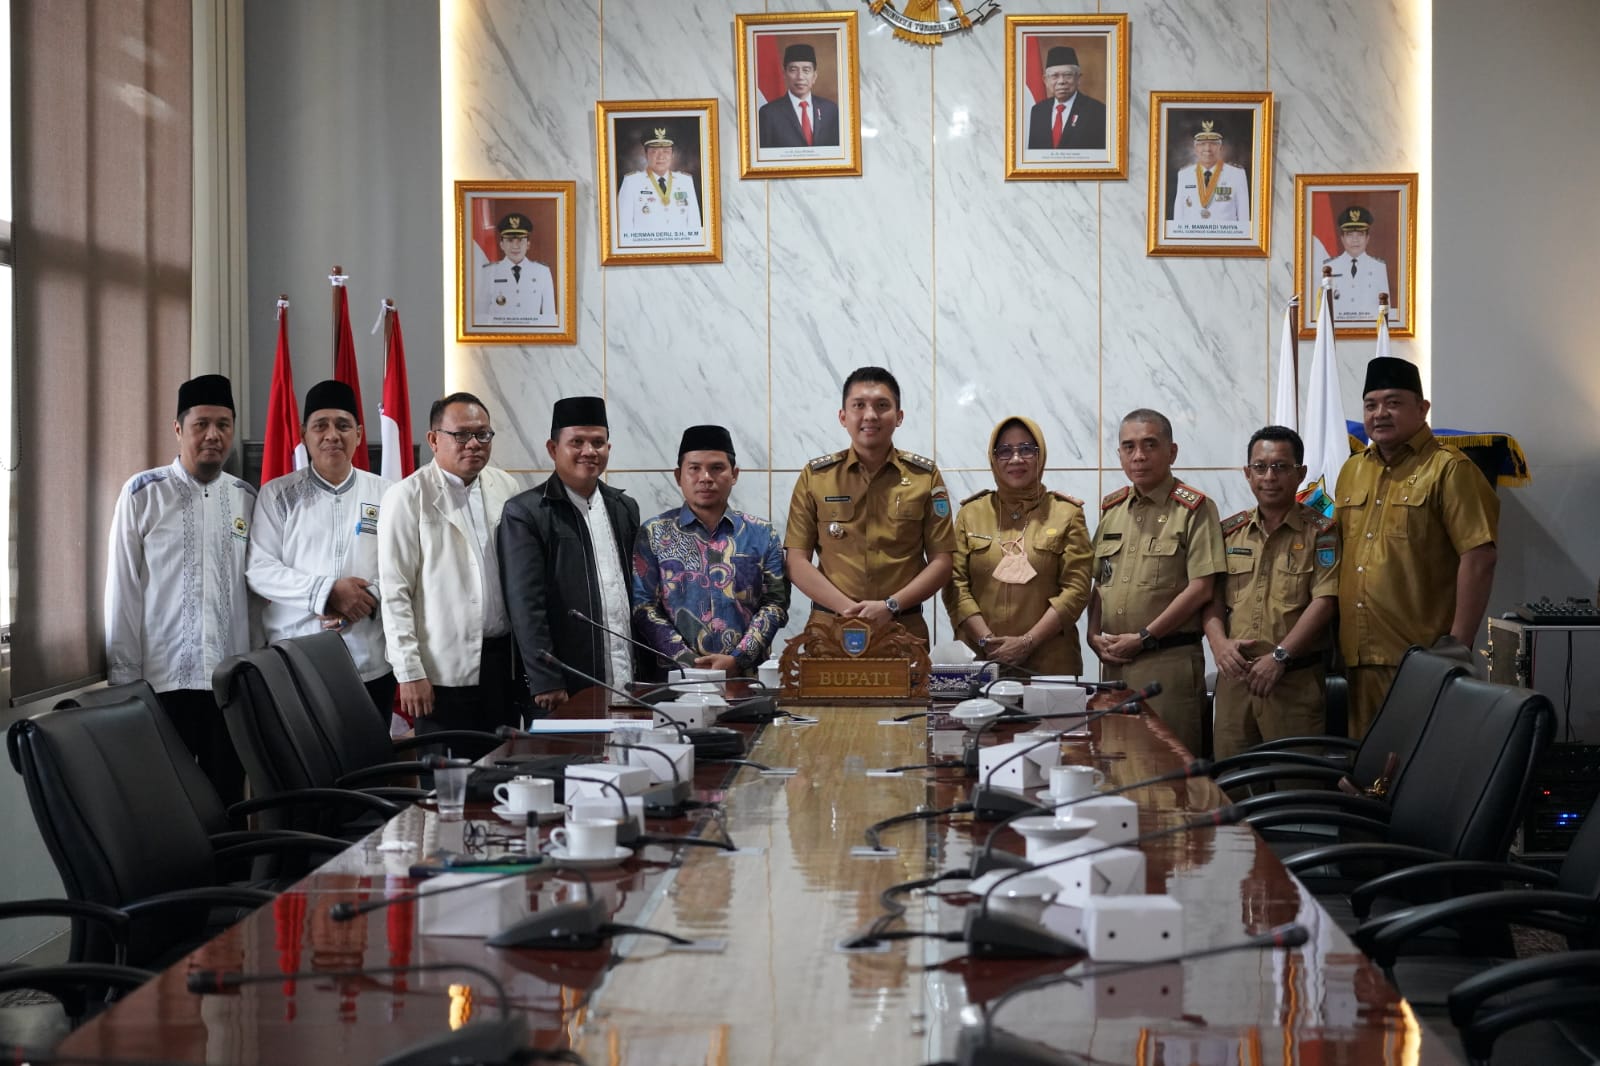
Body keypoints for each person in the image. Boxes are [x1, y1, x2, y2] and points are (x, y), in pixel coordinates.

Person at [104, 374, 253, 804]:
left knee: (229, 803)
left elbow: (257, 598)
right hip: (161, 686)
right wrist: (127, 684)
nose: (213, 435)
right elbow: (122, 594)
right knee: (165, 806)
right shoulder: (142, 495)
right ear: (178, 429)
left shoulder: (246, 498)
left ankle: (234, 876)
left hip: (229, 687)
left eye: (223, 424)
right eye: (201, 424)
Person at [1335, 356, 1499, 737]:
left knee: (1413, 775)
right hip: (1357, 656)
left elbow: (1480, 556)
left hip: (1422, 659)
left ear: (1422, 408)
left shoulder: (1449, 469)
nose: (1380, 414)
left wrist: (1457, 646)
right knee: (1366, 772)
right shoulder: (1352, 470)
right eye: (1371, 404)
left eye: (1393, 402)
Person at [248, 380, 396, 727]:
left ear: (359, 434)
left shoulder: (389, 494)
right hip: (295, 661)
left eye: (343, 425)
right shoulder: (278, 495)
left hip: (369, 662)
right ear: (303, 434)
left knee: (367, 772)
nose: (332, 435)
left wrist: (365, 598)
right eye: (321, 425)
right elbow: (260, 569)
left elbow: (404, 568)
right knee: (304, 775)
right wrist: (327, 592)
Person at [378, 392, 522, 734]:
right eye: (461, 435)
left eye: (482, 434)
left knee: (502, 769)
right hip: (441, 669)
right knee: (449, 780)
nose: (473, 443)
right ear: (433, 439)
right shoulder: (407, 496)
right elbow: (394, 591)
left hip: (501, 661)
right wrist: (410, 671)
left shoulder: (506, 486)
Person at [784, 366, 955, 649]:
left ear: (899, 417)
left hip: (902, 631)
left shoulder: (925, 477)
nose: (870, 415)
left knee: (906, 695)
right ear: (843, 416)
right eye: (859, 405)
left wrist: (890, 606)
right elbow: (796, 561)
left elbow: (942, 562)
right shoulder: (816, 477)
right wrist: (850, 610)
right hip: (830, 632)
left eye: (882, 406)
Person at [1087, 409, 1225, 755]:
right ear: (1119, 454)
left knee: (1168, 772)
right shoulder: (1112, 509)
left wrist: (1144, 638)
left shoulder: (1194, 509)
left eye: (1150, 445)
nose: (1139, 456)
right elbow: (1099, 582)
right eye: (1129, 447)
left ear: (1172, 452)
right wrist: (1092, 634)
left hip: (1168, 664)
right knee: (1119, 764)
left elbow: (1202, 588)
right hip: (1115, 664)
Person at [1203, 426, 1340, 759]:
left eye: (1281, 467)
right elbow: (1211, 599)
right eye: (1260, 467)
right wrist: (1219, 645)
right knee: (1233, 787)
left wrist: (1280, 656)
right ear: (1247, 473)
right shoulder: (1229, 532)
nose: (1269, 476)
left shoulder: (1321, 530)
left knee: (1296, 787)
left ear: (1300, 473)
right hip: (1235, 683)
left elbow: (1325, 601)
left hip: (1292, 682)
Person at [500, 396, 641, 713]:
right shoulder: (526, 513)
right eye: (577, 442)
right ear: (553, 449)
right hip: (565, 681)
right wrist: (546, 679)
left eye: (598, 442)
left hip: (625, 673)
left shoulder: (624, 508)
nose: (589, 452)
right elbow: (525, 605)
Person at [632, 425, 790, 675]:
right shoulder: (653, 533)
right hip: (676, 679)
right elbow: (644, 607)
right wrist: (686, 660)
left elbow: (776, 604)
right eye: (694, 468)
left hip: (747, 678)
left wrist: (739, 658)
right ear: (678, 476)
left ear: (734, 474)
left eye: (717, 468)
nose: (705, 477)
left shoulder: (762, 534)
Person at [944, 416, 1092, 675]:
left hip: (1050, 664)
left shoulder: (1066, 513)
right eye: (1005, 451)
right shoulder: (971, 513)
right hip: (980, 661)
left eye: (1026, 449)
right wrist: (987, 641)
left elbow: (1076, 590)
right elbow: (955, 585)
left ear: (1040, 456)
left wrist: (1027, 642)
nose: (1015, 459)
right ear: (993, 457)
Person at [616, 128, 702, 244]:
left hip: (680, 251)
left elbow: (694, 227)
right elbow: (624, 230)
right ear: (646, 154)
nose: (661, 157)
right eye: (654, 152)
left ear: (672, 155)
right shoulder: (631, 183)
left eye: (666, 151)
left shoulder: (685, 182)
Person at [474, 212, 555, 326]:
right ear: (501, 244)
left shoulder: (542, 272)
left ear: (528, 244)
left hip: (533, 337)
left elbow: (549, 317)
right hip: (498, 337)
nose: (515, 246)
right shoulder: (488, 272)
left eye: (520, 240)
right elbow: (480, 316)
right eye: (510, 240)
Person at [758, 43, 841, 148]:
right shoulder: (768, 113)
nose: (800, 77)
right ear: (784, 74)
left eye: (806, 70)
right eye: (793, 70)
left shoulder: (830, 110)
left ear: (814, 76)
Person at [1025, 46, 1107, 151]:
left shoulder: (1098, 111)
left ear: (1078, 78)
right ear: (1045, 80)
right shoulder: (1038, 111)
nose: (1061, 81)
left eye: (1068, 75)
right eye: (1055, 76)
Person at [1171, 121, 1249, 225]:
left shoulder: (1237, 174)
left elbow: (1244, 217)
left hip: (1225, 238)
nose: (1207, 149)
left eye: (1213, 143)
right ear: (1195, 148)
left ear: (1220, 147)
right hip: (1193, 237)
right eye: (1202, 144)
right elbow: (1179, 215)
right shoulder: (1184, 174)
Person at [1325, 205, 1392, 323]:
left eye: (1360, 234)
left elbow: (1386, 310)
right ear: (1342, 238)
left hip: (1370, 332)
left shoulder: (1379, 268)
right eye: (1350, 234)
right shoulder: (1329, 268)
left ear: (1367, 238)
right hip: (1336, 332)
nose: (1355, 240)